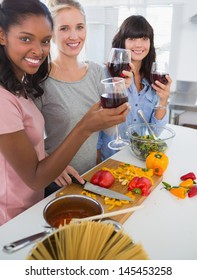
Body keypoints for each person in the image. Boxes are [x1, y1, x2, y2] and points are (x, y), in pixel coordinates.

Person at [0, 0, 130, 225]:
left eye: (44, 41)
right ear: (2, 36)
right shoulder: (24, 87)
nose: (38, 50)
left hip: (46, 198)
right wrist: (85, 126)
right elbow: (34, 173)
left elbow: (32, 144)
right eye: (25, 38)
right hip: (14, 214)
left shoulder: (19, 85)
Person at [34, 0, 133, 190]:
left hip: (91, 175)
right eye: (64, 28)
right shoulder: (40, 79)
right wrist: (48, 163)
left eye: (79, 27)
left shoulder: (97, 72)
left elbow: (111, 131)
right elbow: (30, 141)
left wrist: (121, 92)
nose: (74, 35)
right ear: (51, 34)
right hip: (57, 180)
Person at [97, 15, 172, 161]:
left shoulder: (153, 80)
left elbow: (155, 132)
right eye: (132, 39)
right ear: (123, 42)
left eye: (144, 39)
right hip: (110, 159)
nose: (139, 45)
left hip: (139, 159)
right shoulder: (106, 74)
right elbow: (98, 121)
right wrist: (96, 157)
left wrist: (163, 100)